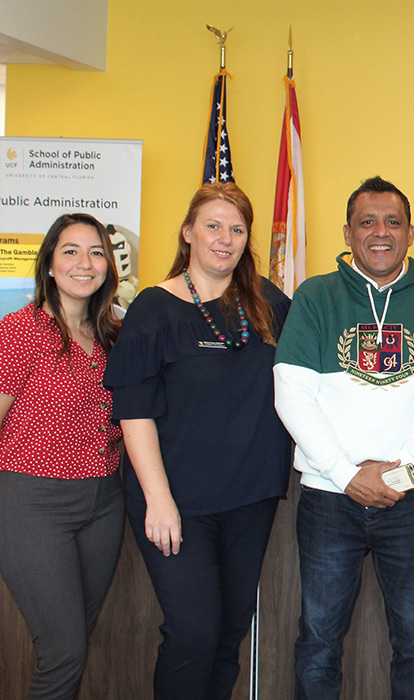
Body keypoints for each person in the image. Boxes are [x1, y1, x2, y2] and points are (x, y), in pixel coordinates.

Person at [274, 176, 414, 700]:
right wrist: (345, 474)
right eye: (367, 222)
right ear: (347, 232)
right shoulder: (314, 297)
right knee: (318, 640)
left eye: (392, 222)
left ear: (410, 234)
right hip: (328, 498)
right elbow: (291, 395)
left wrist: (398, 473)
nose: (380, 232)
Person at [104, 183, 291, 700]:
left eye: (236, 229)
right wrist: (159, 500)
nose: (224, 239)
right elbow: (134, 410)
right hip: (176, 500)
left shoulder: (267, 302)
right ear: (188, 232)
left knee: (229, 634)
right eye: (213, 226)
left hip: (248, 497)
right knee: (193, 632)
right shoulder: (154, 308)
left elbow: (313, 365)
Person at [0, 213, 123, 700]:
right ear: (49, 264)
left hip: (105, 503)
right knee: (63, 651)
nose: (84, 262)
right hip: (33, 501)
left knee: (75, 643)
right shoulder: (20, 330)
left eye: (95, 252)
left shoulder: (115, 333)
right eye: (70, 251)